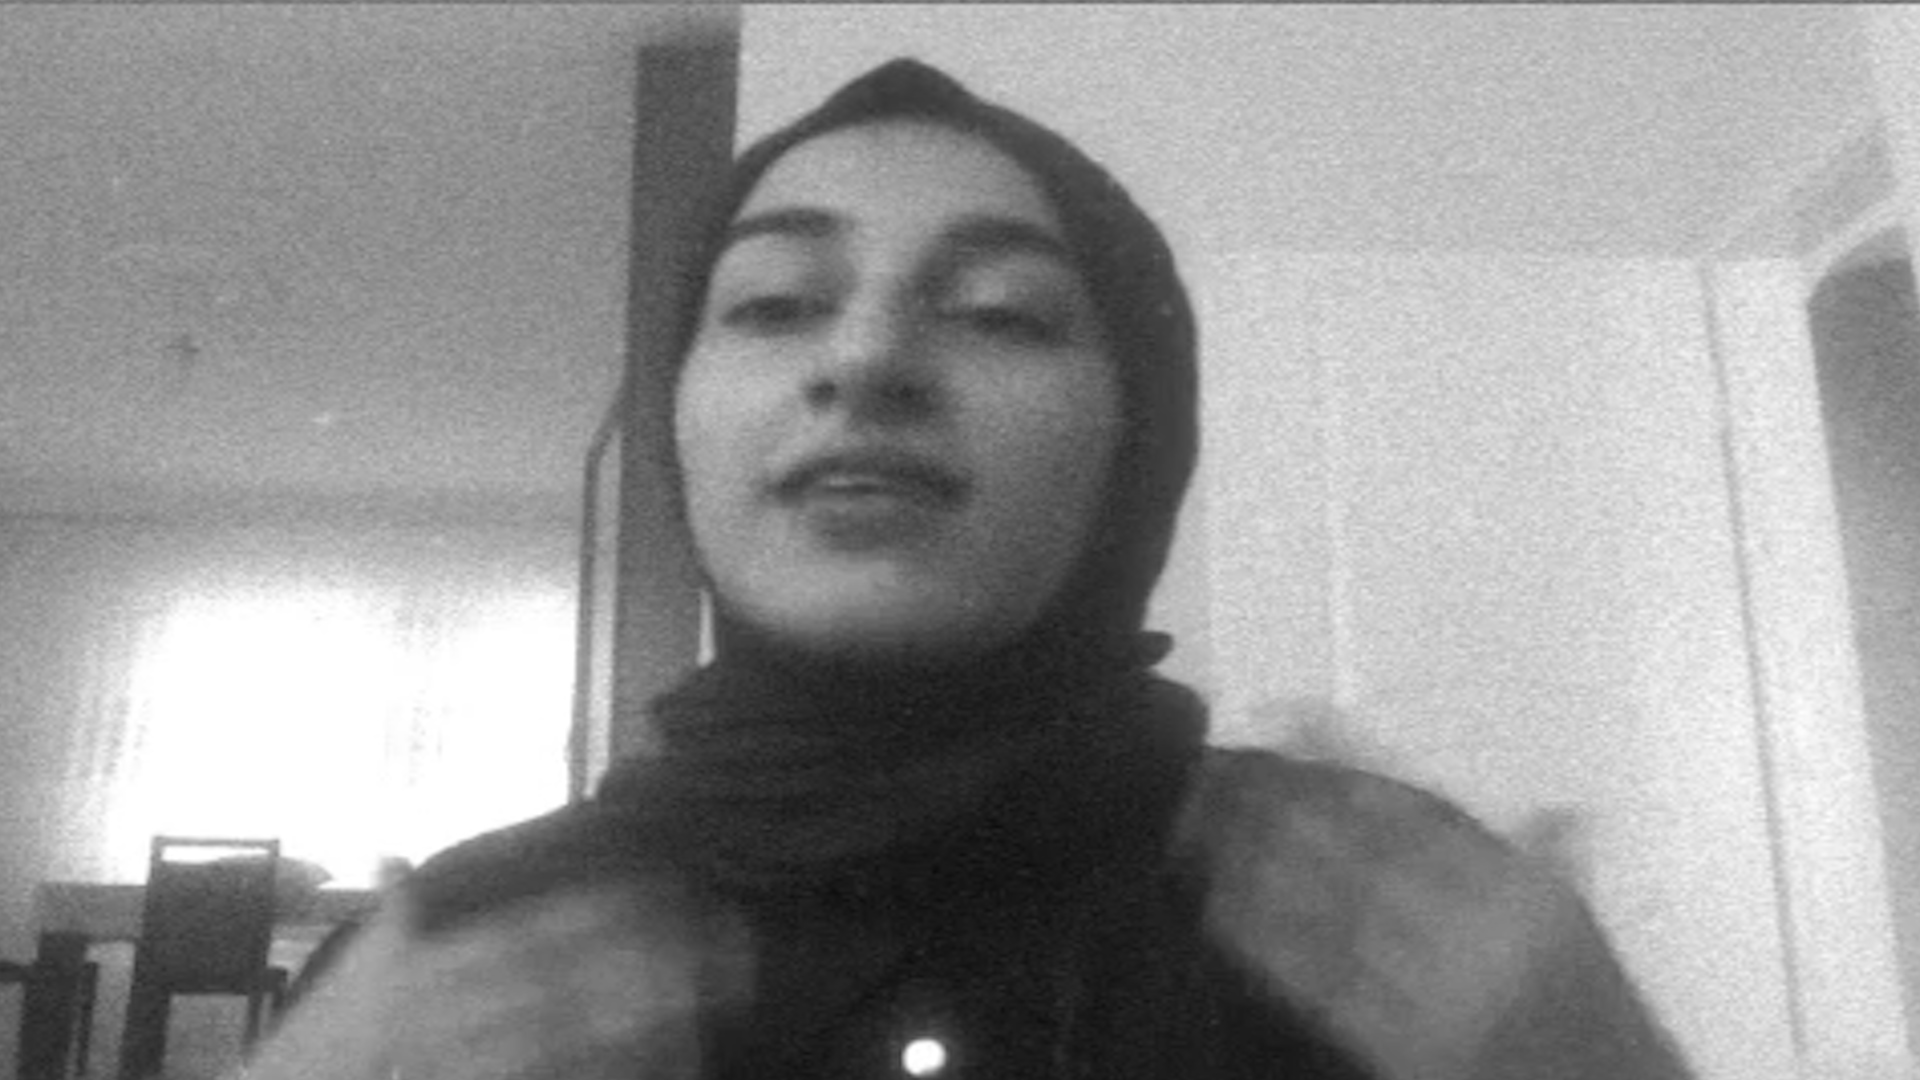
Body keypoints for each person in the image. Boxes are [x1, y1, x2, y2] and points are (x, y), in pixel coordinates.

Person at [243, 58, 1693, 1080]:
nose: (868, 358)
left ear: (1138, 442)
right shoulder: (453, 978)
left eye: (1001, 313)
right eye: (776, 304)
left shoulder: (1408, 930)